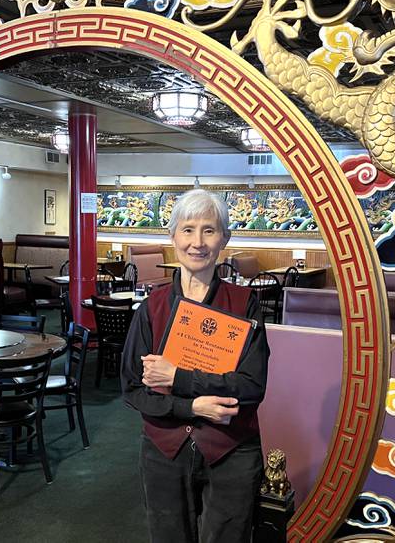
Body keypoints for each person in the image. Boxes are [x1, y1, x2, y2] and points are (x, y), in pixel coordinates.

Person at [121, 188, 270, 543]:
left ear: (224, 239)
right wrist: (193, 407)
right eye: (187, 230)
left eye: (209, 230)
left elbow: (252, 385)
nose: (197, 242)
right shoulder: (151, 308)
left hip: (232, 448)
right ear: (173, 236)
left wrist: (177, 377)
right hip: (163, 449)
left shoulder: (245, 304)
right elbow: (132, 389)